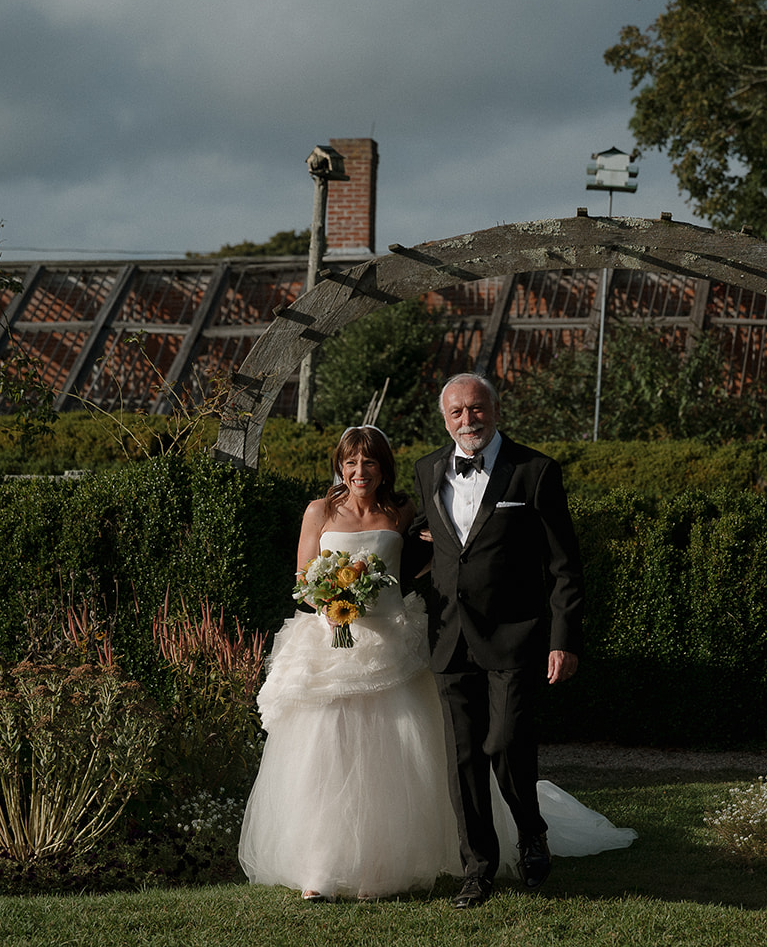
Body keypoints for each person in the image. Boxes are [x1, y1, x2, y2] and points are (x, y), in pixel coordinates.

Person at [237, 424, 459, 900]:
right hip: (332, 642)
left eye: (370, 462)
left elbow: (421, 560)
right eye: (352, 462)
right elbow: (301, 579)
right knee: (327, 757)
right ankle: (320, 869)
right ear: (340, 464)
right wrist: (332, 600)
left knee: (394, 755)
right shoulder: (320, 510)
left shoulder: (400, 511)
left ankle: (381, 867)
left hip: (391, 644)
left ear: (384, 467)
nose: (360, 471)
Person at [412, 373, 589, 910]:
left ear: (495, 409)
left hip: (516, 635)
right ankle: (478, 869)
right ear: (445, 419)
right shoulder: (426, 470)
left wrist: (564, 639)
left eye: (477, 409)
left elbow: (564, 566)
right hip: (447, 638)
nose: (469, 420)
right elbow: (432, 538)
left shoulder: (535, 471)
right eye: (458, 412)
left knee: (505, 743)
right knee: (463, 757)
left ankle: (530, 829)